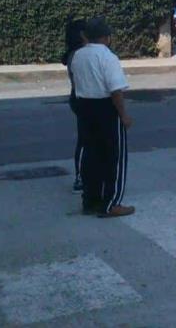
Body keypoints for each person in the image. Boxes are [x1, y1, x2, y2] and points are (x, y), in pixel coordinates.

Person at [71, 18, 135, 217]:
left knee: (91, 155)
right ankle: (111, 203)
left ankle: (90, 200)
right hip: (105, 107)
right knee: (114, 157)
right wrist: (123, 114)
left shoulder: (78, 55)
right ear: (107, 38)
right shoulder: (108, 57)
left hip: (84, 106)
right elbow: (115, 89)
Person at [62, 18, 88, 193]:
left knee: (86, 138)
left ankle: (84, 175)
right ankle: (80, 177)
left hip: (80, 98)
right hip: (83, 99)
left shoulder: (76, 52)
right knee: (85, 139)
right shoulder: (78, 54)